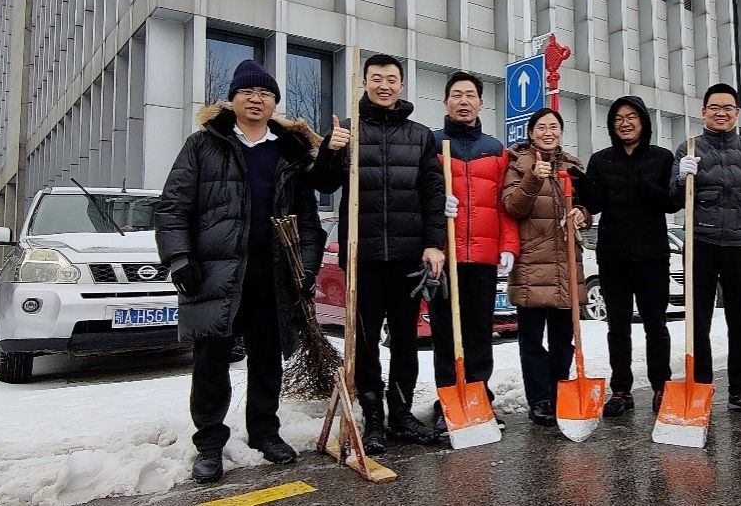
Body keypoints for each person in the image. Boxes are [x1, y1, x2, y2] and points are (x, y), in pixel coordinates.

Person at [154, 60, 326, 483]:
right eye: (247, 92)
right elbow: (173, 206)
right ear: (231, 100)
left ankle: (265, 432)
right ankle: (209, 443)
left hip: (273, 272)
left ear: (274, 104)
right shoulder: (203, 145)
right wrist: (179, 257)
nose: (256, 99)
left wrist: (305, 267)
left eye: (265, 94)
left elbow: (308, 221)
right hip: (216, 271)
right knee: (211, 361)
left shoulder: (288, 153)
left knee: (267, 358)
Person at [310, 53, 445, 452]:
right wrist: (330, 150)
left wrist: (434, 243)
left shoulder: (420, 136)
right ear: (365, 82)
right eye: (376, 78)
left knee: (405, 340)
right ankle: (372, 419)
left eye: (391, 79)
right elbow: (324, 184)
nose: (384, 85)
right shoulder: (348, 131)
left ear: (401, 85)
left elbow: (433, 193)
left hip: (407, 256)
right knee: (366, 342)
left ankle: (401, 415)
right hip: (362, 256)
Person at [671, 83, 741, 416]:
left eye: (728, 107)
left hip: (739, 243)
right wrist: (681, 179)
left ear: (737, 113)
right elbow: (673, 199)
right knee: (698, 321)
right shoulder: (689, 148)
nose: (721, 113)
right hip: (700, 244)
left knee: (740, 320)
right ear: (703, 112)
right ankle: (700, 388)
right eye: (715, 107)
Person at [574, 95, 681, 416]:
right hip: (613, 256)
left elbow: (673, 202)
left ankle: (661, 386)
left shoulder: (661, 158)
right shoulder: (601, 160)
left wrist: (651, 190)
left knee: (655, 325)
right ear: (611, 125)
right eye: (618, 118)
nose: (625, 123)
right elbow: (594, 204)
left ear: (643, 121)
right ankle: (621, 389)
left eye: (631, 116)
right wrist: (582, 184)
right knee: (617, 326)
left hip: (652, 256)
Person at [430, 71, 519, 433]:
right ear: (446, 102)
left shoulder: (496, 150)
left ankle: (479, 397)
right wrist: (438, 206)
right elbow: (420, 193)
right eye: (457, 95)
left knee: (480, 334)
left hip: (482, 257)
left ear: (481, 103)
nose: (463, 101)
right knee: (445, 334)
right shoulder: (432, 144)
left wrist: (508, 245)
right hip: (444, 256)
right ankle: (448, 400)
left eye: (470, 95)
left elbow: (504, 204)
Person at [501, 108, 590, 426]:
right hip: (532, 267)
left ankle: (559, 395)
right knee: (533, 342)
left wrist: (582, 213)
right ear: (531, 133)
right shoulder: (517, 163)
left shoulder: (572, 166)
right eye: (541, 127)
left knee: (563, 340)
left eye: (554, 126)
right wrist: (533, 178)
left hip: (565, 265)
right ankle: (539, 401)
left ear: (561, 132)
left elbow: (586, 204)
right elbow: (512, 207)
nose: (548, 132)